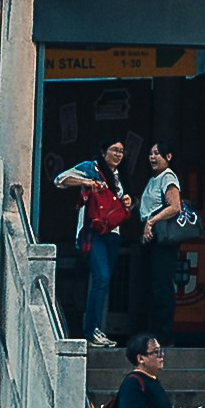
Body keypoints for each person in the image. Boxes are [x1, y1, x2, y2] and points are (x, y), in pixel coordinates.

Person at [50, 137, 134, 342]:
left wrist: (129, 201)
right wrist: (87, 182)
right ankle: (92, 330)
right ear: (104, 151)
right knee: (102, 277)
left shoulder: (121, 175)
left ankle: (97, 329)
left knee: (103, 282)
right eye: (114, 149)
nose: (118, 154)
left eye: (121, 151)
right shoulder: (91, 168)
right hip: (91, 231)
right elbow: (60, 180)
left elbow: (125, 205)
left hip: (113, 234)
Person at [133, 150, 195, 342]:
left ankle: (163, 334)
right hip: (152, 240)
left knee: (162, 286)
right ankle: (152, 332)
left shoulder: (168, 177)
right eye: (150, 153)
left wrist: (151, 222)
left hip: (163, 240)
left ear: (169, 156)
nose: (152, 157)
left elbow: (174, 206)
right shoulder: (154, 179)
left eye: (158, 153)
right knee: (152, 285)